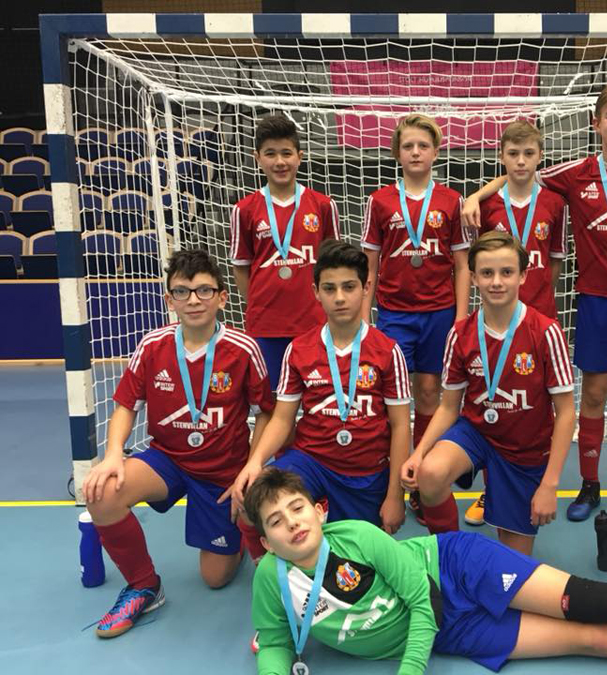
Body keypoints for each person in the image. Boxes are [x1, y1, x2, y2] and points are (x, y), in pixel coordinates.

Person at [246, 467, 607, 675]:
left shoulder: (360, 537)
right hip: (452, 632)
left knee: (584, 600)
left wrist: (410, 671)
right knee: (590, 640)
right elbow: (273, 642)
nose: (292, 523)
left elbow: (419, 600)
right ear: (265, 541)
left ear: (320, 511)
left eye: (297, 508)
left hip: (454, 572)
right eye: (276, 521)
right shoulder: (272, 580)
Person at [462, 83, 607, 522]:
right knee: (593, 395)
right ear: (595, 123)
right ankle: (591, 485)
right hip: (596, 300)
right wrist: (477, 196)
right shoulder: (574, 173)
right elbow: (522, 174)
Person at [82, 249, 275, 638]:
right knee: (102, 492)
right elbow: (125, 406)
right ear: (170, 300)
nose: (194, 300)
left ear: (222, 297)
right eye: (183, 292)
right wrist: (114, 454)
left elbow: (266, 414)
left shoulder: (243, 349)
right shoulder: (152, 345)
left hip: (222, 472)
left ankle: (236, 537)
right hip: (167, 460)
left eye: (204, 290)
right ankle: (144, 586)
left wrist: (251, 466)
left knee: (215, 579)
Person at [229, 240, 411, 563]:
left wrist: (396, 496)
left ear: (366, 287)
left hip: (366, 474)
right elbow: (282, 418)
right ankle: (264, 565)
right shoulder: (299, 349)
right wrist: (254, 462)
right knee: (252, 493)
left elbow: (400, 426)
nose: (339, 297)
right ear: (316, 292)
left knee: (357, 566)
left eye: (348, 287)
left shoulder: (387, 351)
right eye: (329, 288)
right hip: (312, 464)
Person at [402, 231, 576, 557]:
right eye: (486, 273)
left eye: (506, 272)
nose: (496, 282)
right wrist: (419, 452)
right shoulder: (460, 334)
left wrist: (550, 484)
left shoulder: (546, 331)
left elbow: (566, 413)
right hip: (477, 433)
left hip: (524, 447)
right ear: (473, 278)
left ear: (523, 276)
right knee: (430, 473)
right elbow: (448, 407)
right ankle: (452, 555)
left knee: (513, 564)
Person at [360, 114, 471, 521]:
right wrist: (365, 318)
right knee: (390, 399)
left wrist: (461, 317)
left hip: (440, 313)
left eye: (423, 145)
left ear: (436, 152)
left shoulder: (452, 200)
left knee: (428, 393)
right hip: (394, 314)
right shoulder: (380, 201)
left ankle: (422, 479)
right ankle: (387, 480)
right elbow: (369, 266)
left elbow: (463, 265)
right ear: (397, 153)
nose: (416, 152)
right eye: (408, 146)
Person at [464, 120, 569, 526]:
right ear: (501, 156)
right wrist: (476, 194)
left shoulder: (554, 203)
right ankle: (491, 491)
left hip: (538, 319)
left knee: (535, 409)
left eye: (528, 154)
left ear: (540, 156)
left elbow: (554, 263)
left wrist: (536, 298)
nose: (521, 161)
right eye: (513, 154)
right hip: (495, 322)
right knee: (497, 402)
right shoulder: (486, 206)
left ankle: (538, 481)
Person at [230, 113, 340, 385]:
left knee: (318, 396)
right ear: (257, 158)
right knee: (271, 398)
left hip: (314, 322)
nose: (279, 161)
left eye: (286, 153)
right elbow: (241, 267)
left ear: (299, 157)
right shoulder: (244, 210)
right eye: (270, 154)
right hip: (266, 326)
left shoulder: (323, 205)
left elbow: (334, 265)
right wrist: (258, 305)